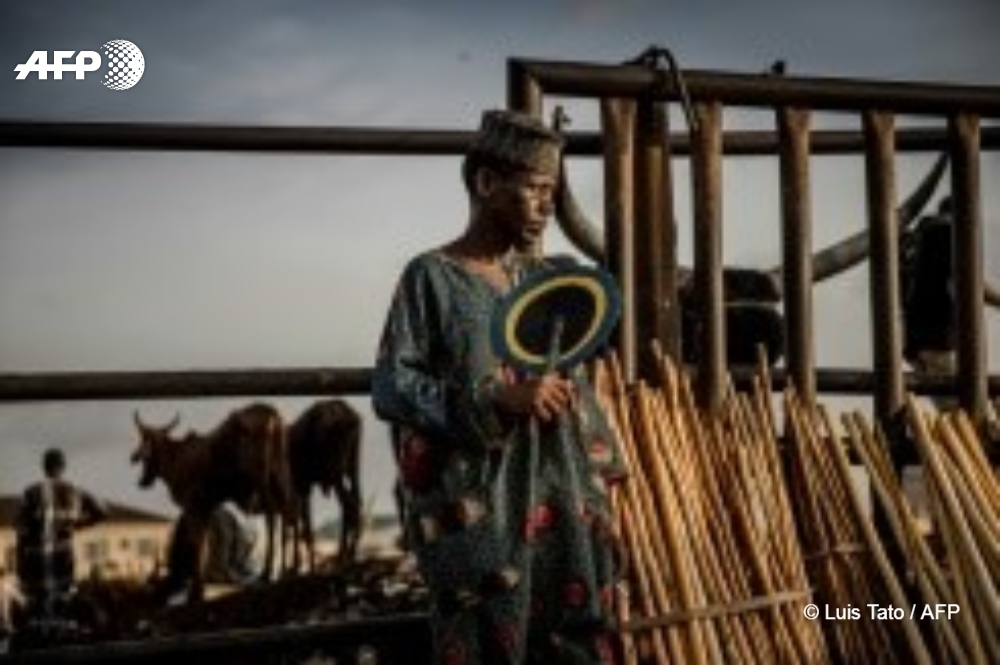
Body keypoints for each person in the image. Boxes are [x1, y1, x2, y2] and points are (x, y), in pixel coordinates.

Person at [373, 109, 627, 664]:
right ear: (487, 183)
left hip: (560, 501)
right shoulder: (431, 277)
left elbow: (582, 378)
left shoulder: (547, 280)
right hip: (480, 513)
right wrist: (494, 399)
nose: (545, 205)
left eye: (552, 192)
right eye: (533, 189)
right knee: (484, 640)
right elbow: (393, 386)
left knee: (576, 641)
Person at [15, 448, 108, 631]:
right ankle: (61, 635)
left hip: (35, 562)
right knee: (63, 604)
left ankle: (42, 635)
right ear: (63, 467)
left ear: (44, 467)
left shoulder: (30, 493)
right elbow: (103, 511)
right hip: (62, 557)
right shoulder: (75, 491)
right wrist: (78, 525)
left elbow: (20, 531)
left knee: (38, 610)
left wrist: (20, 565)